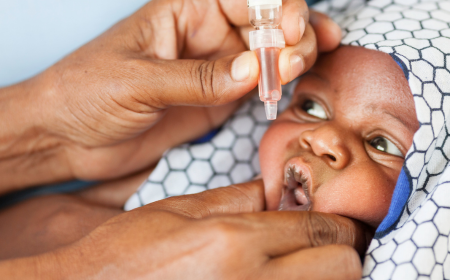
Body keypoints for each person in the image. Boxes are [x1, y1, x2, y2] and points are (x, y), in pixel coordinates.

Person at [0, 0, 368, 279]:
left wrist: (45, 141)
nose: (322, 140)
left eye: (381, 145)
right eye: (310, 107)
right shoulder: (157, 194)